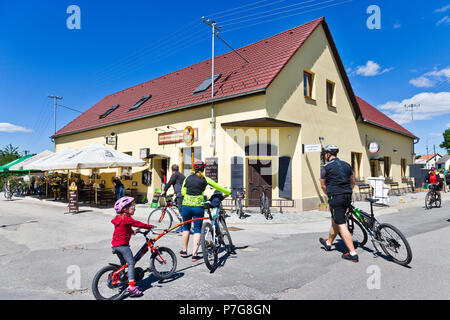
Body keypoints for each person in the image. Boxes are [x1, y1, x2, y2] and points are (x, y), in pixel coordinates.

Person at [180, 160, 230, 262]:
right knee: (197, 229)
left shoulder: (187, 178)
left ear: (194, 168)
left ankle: (184, 251)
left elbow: (182, 192)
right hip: (198, 206)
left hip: (186, 205)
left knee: (186, 228)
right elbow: (217, 186)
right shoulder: (205, 179)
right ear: (203, 169)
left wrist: (190, 196)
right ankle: (194, 255)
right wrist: (228, 192)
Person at [319, 145, 358, 262]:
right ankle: (329, 243)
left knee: (341, 223)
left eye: (325, 153)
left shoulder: (325, 167)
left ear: (328, 154)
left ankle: (352, 253)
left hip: (336, 197)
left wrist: (328, 195)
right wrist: (349, 190)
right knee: (335, 220)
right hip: (347, 195)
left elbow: (322, 185)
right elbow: (353, 181)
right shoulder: (347, 165)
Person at [111, 196, 154, 297]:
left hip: (115, 246)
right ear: (126, 209)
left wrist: (133, 232)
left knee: (123, 263)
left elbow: (124, 228)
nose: (134, 208)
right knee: (131, 262)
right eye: (133, 207)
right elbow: (137, 223)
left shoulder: (119, 218)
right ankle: (131, 286)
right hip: (123, 246)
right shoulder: (127, 218)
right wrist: (149, 226)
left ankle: (121, 278)